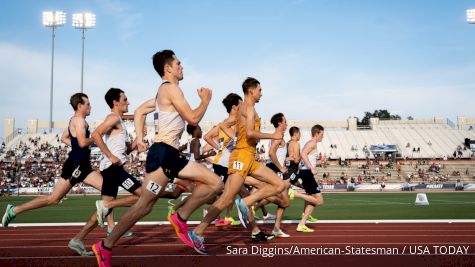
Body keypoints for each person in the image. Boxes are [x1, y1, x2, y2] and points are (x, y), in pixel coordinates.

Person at [92, 50, 223, 267]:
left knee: (144, 205)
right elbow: (192, 118)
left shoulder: (162, 93)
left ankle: (105, 246)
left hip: (166, 154)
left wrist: (141, 138)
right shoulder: (171, 89)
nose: (182, 67)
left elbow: (139, 111)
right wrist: (206, 101)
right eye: (178, 63)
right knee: (214, 183)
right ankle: (180, 216)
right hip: (164, 154)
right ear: (168, 68)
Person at [188, 77, 286, 255]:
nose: (261, 93)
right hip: (241, 156)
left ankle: (246, 202)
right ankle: (197, 233)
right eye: (259, 90)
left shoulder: (246, 108)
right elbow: (249, 132)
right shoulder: (247, 108)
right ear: (251, 91)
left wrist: (236, 136)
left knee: (279, 185)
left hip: (249, 158)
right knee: (226, 198)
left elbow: (226, 125)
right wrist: (272, 136)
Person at [2, 93, 104, 253]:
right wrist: (97, 137)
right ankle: (14, 210)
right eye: (88, 104)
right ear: (80, 106)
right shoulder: (79, 121)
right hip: (76, 167)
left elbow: (64, 137)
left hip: (82, 166)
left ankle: (79, 239)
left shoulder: (74, 120)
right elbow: (84, 142)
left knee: (106, 191)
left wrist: (77, 146)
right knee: (53, 199)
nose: (90, 106)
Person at [68, 88, 144, 256]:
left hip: (113, 167)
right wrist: (110, 156)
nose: (128, 102)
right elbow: (95, 134)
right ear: (115, 102)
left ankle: (78, 239)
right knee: (143, 196)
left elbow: (124, 151)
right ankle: (107, 205)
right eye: (125, 99)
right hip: (112, 168)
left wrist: (137, 143)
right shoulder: (113, 117)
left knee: (103, 212)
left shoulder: (120, 122)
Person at [297, 124, 325, 232]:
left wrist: (318, 162)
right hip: (307, 173)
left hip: (306, 172)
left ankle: (302, 222)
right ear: (316, 134)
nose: (323, 137)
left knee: (312, 200)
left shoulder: (310, 143)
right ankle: (295, 194)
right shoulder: (312, 143)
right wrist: (311, 167)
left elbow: (305, 158)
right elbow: (303, 154)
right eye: (322, 134)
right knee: (319, 201)